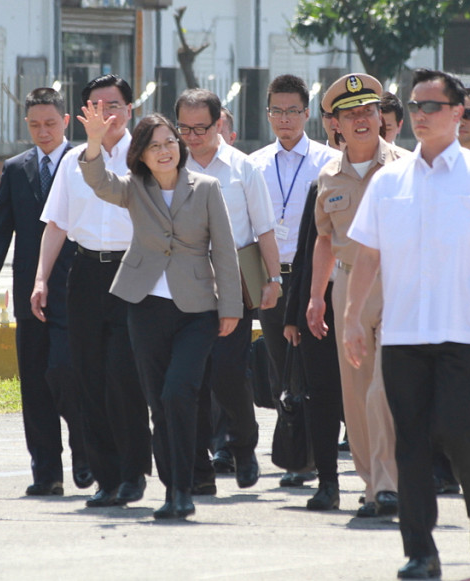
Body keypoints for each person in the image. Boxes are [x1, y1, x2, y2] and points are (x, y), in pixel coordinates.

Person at [343, 69, 470, 578]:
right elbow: (368, 255)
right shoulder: (389, 179)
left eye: (432, 106)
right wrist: (353, 317)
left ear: (459, 112)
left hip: (464, 333)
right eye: (414, 106)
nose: (420, 115)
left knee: (459, 431)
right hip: (402, 335)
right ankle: (420, 550)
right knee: (411, 442)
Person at [77, 106, 241, 519]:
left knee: (178, 393)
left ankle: (184, 488)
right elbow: (97, 181)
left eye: (170, 142)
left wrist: (232, 307)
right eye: (155, 146)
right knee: (159, 405)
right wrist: (95, 141)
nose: (165, 150)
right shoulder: (135, 187)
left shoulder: (205, 188)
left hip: (197, 310)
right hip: (145, 307)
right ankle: (174, 493)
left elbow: (223, 250)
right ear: (142, 156)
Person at [32, 74, 152, 509]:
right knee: (87, 376)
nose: (106, 114)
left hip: (132, 272)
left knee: (123, 375)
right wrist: (41, 278)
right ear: (84, 115)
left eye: (114, 105)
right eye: (96, 107)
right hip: (84, 273)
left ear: (130, 109)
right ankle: (107, 477)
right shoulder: (71, 162)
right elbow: (57, 224)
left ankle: (135, 469)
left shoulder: (147, 159)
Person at [0, 87, 91, 496]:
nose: (44, 132)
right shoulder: (17, 168)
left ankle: (86, 453)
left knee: (66, 372)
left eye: (51, 124)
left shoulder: (84, 164)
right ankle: (46, 472)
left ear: (67, 122)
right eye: (36, 125)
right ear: (27, 125)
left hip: (75, 287)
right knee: (35, 383)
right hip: (30, 292)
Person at [301, 73, 406, 517]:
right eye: (350, 114)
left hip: (399, 282)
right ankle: (372, 484)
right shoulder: (328, 175)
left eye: (368, 111)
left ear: (382, 117)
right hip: (347, 287)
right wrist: (316, 297)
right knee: (357, 391)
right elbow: (324, 239)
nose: (361, 120)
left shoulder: (406, 166)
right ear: (335, 124)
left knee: (386, 386)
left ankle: (390, 482)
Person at [174, 88, 279, 495]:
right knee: (191, 376)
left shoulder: (242, 169)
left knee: (227, 373)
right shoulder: (170, 165)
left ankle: (243, 444)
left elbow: (263, 227)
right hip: (182, 281)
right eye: (184, 127)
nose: (193, 136)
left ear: (219, 124)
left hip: (231, 281)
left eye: (201, 127)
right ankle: (199, 466)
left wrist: (274, 279)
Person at [248, 74, 339, 492]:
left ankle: (305, 459)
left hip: (311, 275)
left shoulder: (326, 161)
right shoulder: (255, 163)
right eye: (277, 111)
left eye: (293, 111)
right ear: (268, 114)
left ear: (308, 114)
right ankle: (295, 450)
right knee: (281, 365)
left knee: (310, 365)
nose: (285, 119)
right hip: (270, 275)